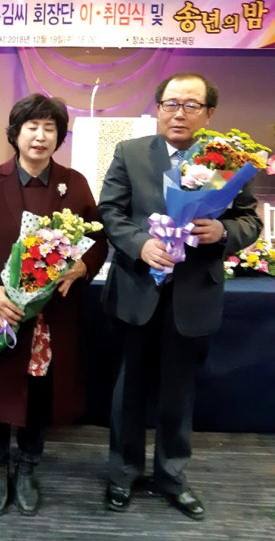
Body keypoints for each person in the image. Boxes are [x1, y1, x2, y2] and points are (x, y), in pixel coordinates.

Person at [98, 72, 262, 520]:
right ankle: (123, 474)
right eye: (171, 103)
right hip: (137, 290)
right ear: (158, 108)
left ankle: (172, 477)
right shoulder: (131, 152)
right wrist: (140, 245)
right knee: (128, 390)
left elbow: (249, 221)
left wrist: (222, 231)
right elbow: (110, 211)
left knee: (179, 393)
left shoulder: (229, 160)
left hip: (192, 295)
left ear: (209, 113)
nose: (179, 113)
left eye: (191, 105)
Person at [0, 93, 107, 516]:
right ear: (16, 133)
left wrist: (82, 267)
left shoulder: (74, 184)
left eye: (49, 128)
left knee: (39, 394)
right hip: (0, 312)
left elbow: (98, 242)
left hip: (50, 319)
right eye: (31, 127)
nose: (40, 136)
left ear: (59, 135)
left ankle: (28, 467)